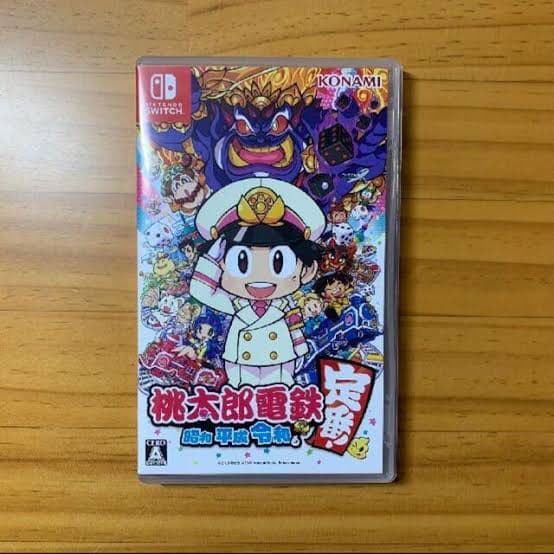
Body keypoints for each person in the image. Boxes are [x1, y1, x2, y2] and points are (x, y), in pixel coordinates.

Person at [189, 177, 325, 386]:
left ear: (305, 270)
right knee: (240, 395)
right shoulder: (235, 303)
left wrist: (299, 354)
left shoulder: (286, 306)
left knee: (281, 393)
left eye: (279, 262)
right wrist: (212, 256)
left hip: (280, 361)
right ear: (222, 264)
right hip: (240, 363)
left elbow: (295, 330)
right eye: (241, 262)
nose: (260, 277)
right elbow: (200, 290)